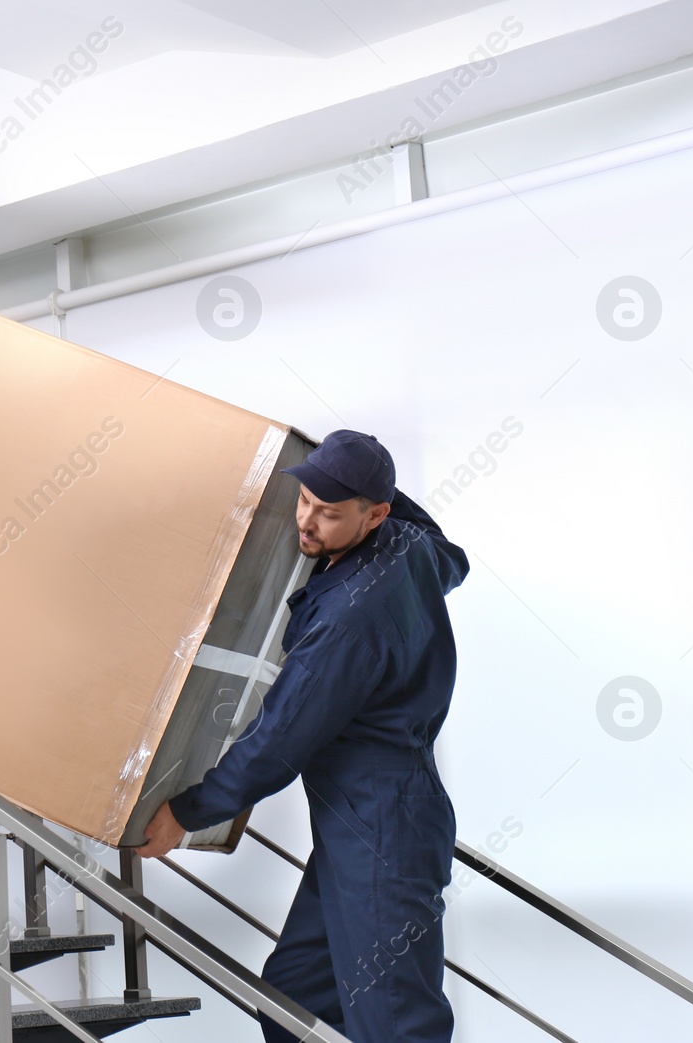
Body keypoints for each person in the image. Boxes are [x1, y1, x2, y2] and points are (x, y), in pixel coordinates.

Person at [138, 429, 468, 1043]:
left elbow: (279, 742)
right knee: (293, 998)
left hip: (382, 830)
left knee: (396, 1024)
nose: (309, 522)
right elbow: (455, 555)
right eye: (306, 501)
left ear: (376, 514)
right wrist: (355, 472)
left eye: (331, 512)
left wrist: (187, 813)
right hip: (358, 825)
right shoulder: (411, 546)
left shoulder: (349, 621)